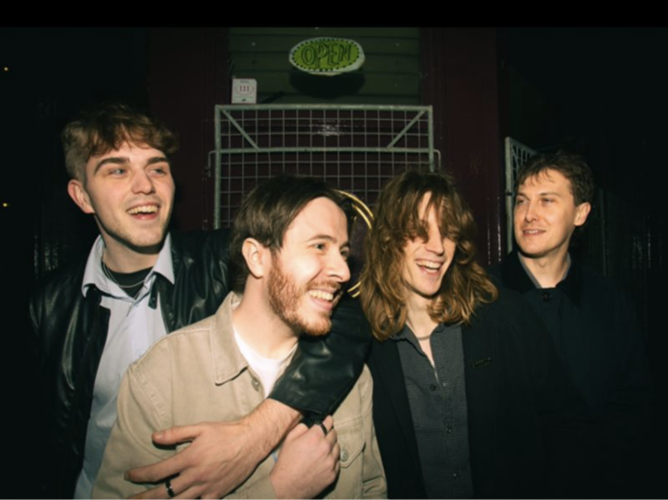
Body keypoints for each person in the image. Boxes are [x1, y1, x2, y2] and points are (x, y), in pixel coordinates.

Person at [29, 103, 370, 499]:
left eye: (157, 168)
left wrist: (256, 434)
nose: (145, 186)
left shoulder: (222, 260)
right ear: (82, 196)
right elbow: (38, 437)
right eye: (118, 170)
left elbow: (343, 319)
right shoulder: (49, 306)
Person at [92, 175, 386, 498]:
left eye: (343, 252)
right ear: (257, 257)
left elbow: (372, 490)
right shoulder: (161, 378)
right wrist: (278, 491)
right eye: (319, 246)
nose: (343, 272)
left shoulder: (351, 376)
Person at [361, 169, 596, 499]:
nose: (437, 247)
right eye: (419, 231)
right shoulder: (360, 342)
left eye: (447, 232)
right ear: (388, 238)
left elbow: (568, 425)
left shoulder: (505, 316)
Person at [488, 150, 653, 497]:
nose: (529, 215)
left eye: (547, 200)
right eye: (522, 201)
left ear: (581, 213)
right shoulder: (480, 297)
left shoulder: (611, 301)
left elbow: (631, 408)